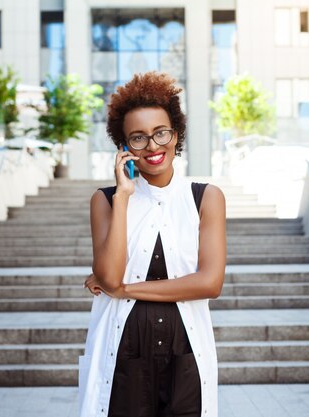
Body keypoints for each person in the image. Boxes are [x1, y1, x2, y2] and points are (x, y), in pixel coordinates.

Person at [80, 72, 226, 417]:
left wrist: (124, 287)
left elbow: (209, 283)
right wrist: (124, 197)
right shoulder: (106, 201)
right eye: (138, 138)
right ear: (123, 146)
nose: (153, 146)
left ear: (176, 133)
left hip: (186, 355)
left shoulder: (206, 198)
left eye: (161, 133)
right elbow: (109, 275)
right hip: (124, 354)